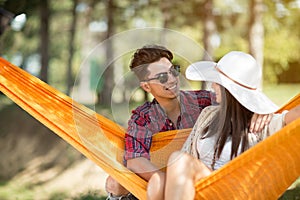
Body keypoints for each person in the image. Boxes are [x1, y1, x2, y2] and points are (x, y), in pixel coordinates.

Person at [106, 46, 271, 200]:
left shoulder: (203, 101)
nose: (172, 79)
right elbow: (135, 159)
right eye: (163, 77)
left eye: (173, 71)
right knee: (116, 182)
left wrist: (260, 111)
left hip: (200, 175)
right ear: (146, 87)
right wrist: (165, 179)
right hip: (166, 175)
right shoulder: (143, 117)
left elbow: (236, 100)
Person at [147, 51, 300, 200]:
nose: (213, 86)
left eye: (217, 82)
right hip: (198, 188)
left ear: (231, 90)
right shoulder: (209, 114)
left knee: (179, 159)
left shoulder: (263, 123)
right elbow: (187, 153)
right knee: (157, 182)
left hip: (232, 192)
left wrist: (268, 112)